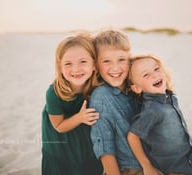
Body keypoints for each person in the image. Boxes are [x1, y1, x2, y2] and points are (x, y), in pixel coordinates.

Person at [41, 31, 103, 175]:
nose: (76, 69)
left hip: (85, 146)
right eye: (68, 63)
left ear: (94, 64)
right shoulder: (54, 93)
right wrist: (80, 118)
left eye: (83, 61)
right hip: (61, 146)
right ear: (60, 67)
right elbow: (59, 126)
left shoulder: (97, 88)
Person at [90, 28, 143, 175]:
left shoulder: (136, 86)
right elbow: (104, 146)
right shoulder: (101, 97)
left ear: (129, 59)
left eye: (121, 59)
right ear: (96, 65)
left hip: (152, 161)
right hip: (129, 167)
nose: (115, 68)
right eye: (106, 61)